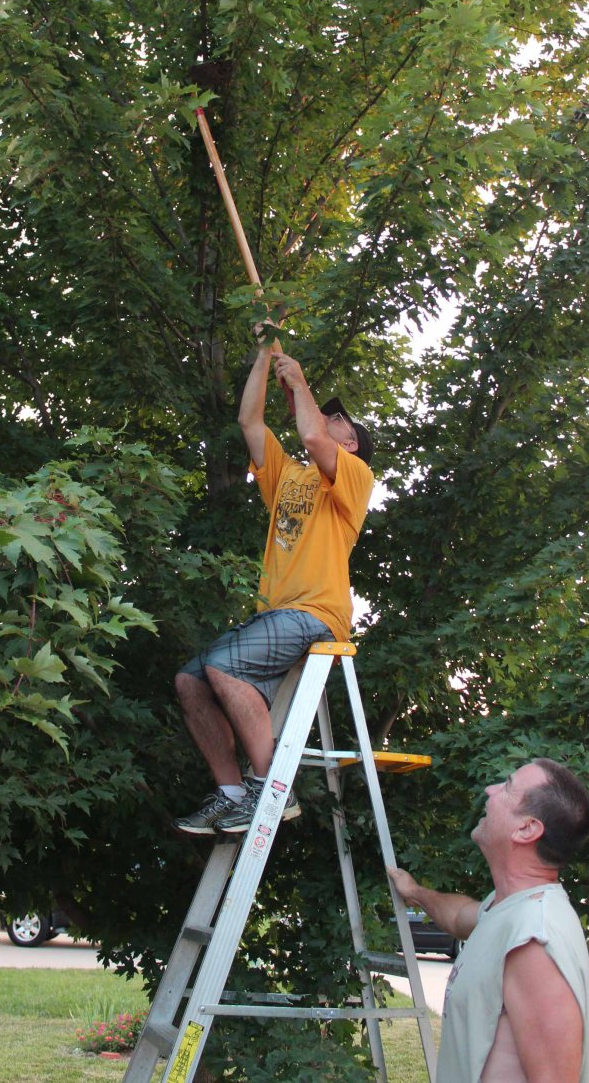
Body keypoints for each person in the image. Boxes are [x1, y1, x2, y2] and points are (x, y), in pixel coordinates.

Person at [173, 330, 374, 835]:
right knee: (191, 680)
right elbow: (249, 421)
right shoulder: (289, 477)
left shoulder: (353, 476)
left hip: (316, 614)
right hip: (277, 615)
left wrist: (301, 381)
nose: (327, 418)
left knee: (225, 668)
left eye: (338, 421)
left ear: (348, 444)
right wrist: (264, 352)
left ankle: (272, 790)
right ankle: (231, 792)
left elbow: (312, 437)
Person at [388, 758, 589, 1083]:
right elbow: (460, 917)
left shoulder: (533, 940)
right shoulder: (507, 909)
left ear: (527, 829)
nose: (491, 789)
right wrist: (415, 892)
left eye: (508, 787)